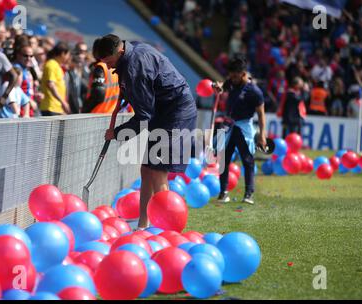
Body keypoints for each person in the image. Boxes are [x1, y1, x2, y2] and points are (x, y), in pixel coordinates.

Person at [93, 34, 197, 230]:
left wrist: (116, 133)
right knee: (146, 169)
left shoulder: (135, 68)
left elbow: (143, 117)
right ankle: (143, 225)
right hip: (162, 111)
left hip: (176, 112)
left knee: (158, 171)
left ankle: (164, 230)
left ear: (120, 51)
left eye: (109, 62)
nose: (108, 67)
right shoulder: (132, 51)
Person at [215, 57, 267, 205]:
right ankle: (223, 192)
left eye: (236, 76)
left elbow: (261, 114)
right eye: (231, 75)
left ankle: (248, 194)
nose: (233, 78)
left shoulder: (254, 91)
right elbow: (222, 86)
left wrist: (262, 135)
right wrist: (218, 87)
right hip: (228, 126)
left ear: (243, 74)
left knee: (247, 160)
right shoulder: (231, 81)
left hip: (244, 128)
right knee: (223, 159)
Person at [39, 42, 71, 116]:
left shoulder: (56, 65)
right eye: (68, 55)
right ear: (63, 53)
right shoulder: (51, 64)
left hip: (56, 108)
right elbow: (51, 84)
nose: (68, 57)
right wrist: (63, 102)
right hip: (50, 107)